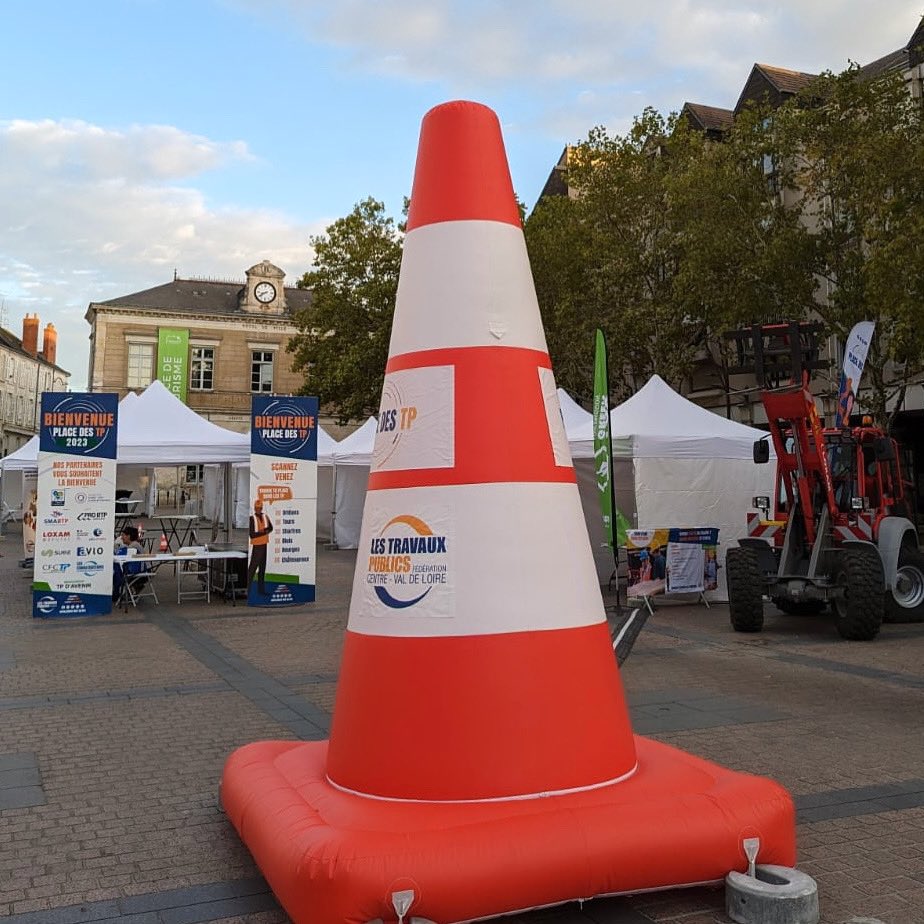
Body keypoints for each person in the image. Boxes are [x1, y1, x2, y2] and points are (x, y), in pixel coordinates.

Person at [247, 498, 273, 596]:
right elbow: (252, 534)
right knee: (253, 568)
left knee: (262, 568)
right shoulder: (252, 519)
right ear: (254, 508)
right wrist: (263, 532)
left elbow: (270, 528)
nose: (259, 509)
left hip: (264, 544)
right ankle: (248, 590)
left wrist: (263, 531)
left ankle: (261, 590)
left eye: (260, 507)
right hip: (257, 546)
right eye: (257, 508)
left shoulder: (265, 516)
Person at [113, 526, 143, 602]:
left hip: (139, 571)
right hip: (138, 569)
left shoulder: (133, 546)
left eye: (123, 535)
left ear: (128, 536)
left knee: (116, 571)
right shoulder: (132, 545)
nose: (121, 537)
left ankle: (117, 593)